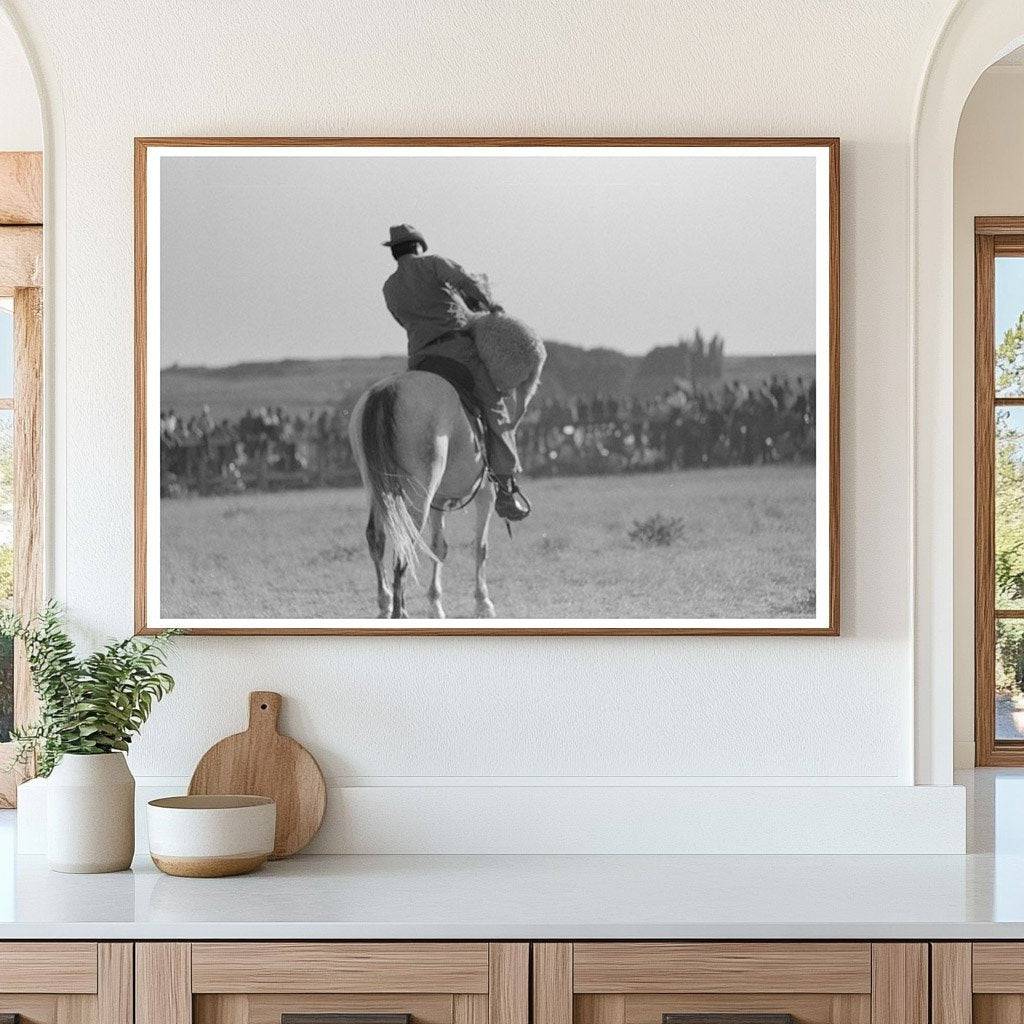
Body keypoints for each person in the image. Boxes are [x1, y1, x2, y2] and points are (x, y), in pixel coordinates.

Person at [381, 223, 530, 521]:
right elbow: (465, 281)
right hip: (457, 353)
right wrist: (489, 304)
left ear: (395, 253)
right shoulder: (434, 264)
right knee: (494, 407)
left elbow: (401, 320)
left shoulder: (389, 287)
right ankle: (505, 488)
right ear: (418, 246)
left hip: (420, 360)